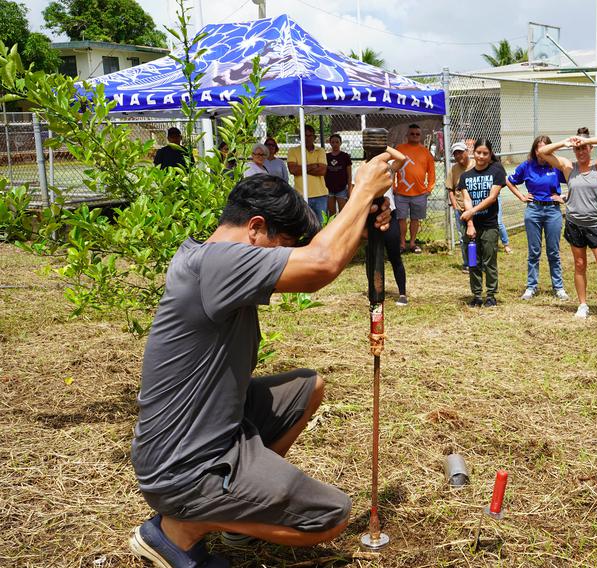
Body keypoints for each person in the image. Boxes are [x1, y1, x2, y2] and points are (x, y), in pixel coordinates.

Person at [127, 149, 403, 568]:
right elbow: (319, 264)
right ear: (256, 228)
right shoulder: (215, 263)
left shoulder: (210, 261)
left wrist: (360, 222)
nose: (282, 260)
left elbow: (321, 255)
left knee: (306, 388)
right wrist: (361, 188)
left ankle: (236, 513)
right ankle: (179, 530)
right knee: (329, 517)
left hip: (210, 432)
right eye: (281, 248)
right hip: (182, 464)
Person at [538, 128, 597, 321]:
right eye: (578, 149)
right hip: (574, 224)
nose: (581, 152)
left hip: (596, 224)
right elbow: (543, 152)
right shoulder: (569, 167)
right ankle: (582, 304)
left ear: (591, 148)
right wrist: (565, 142)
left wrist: (586, 140)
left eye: (584, 148)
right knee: (579, 265)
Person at [505, 135, 568, 301]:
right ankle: (531, 286)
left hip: (553, 211)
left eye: (544, 148)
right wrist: (521, 196)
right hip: (533, 210)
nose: (541, 152)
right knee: (534, 251)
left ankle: (558, 287)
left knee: (553, 251)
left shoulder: (556, 166)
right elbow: (509, 180)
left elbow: (574, 180)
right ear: (534, 150)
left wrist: (564, 198)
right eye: (538, 148)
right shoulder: (527, 166)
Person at [459, 139, 505, 307]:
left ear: (490, 154)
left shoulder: (496, 172)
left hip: (489, 225)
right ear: (474, 153)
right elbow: (466, 200)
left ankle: (491, 295)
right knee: (473, 261)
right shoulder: (465, 176)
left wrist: (471, 211)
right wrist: (470, 224)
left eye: (485, 153)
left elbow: (492, 198)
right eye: (479, 152)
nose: (481, 156)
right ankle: (477, 295)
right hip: (471, 226)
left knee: (489, 261)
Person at [394, 124, 436, 253]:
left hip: (419, 193)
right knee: (401, 219)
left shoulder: (425, 152)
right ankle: (401, 243)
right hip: (401, 193)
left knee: (415, 219)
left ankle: (412, 243)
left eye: (417, 134)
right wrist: (393, 186)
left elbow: (432, 172)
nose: (415, 136)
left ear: (420, 136)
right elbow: (392, 168)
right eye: (412, 134)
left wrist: (429, 188)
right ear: (407, 135)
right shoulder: (399, 149)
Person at [287, 125, 330, 223]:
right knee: (304, 223)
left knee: (321, 224)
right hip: (301, 194)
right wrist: (314, 166)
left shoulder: (321, 151)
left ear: (314, 137)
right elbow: (293, 170)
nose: (307, 138)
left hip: (320, 194)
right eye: (305, 135)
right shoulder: (293, 151)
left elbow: (322, 171)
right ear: (300, 137)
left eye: (310, 135)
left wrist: (302, 168)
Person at [445, 141, 474, 273]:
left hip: (476, 208)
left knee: (477, 236)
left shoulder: (475, 165)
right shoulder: (454, 169)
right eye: (455, 153)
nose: (458, 156)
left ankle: (478, 262)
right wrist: (455, 205)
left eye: (460, 152)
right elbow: (450, 189)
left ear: (466, 152)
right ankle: (468, 263)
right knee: (464, 237)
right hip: (461, 209)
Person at [325, 133, 352, 216]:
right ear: (330, 143)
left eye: (337, 142)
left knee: (343, 213)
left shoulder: (345, 156)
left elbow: (349, 175)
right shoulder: (326, 156)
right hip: (329, 188)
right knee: (331, 214)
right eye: (332, 142)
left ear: (340, 143)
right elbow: (324, 173)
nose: (335, 144)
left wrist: (349, 189)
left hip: (342, 189)